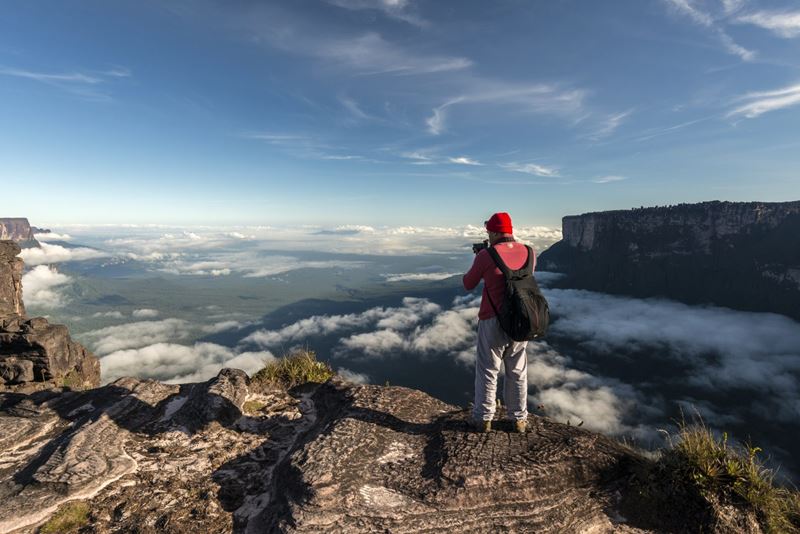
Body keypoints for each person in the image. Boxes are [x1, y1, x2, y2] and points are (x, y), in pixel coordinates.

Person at [463, 212, 534, 433]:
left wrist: (481, 257)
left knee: (488, 369)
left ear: (493, 232)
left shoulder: (487, 255)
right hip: (521, 319)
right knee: (517, 369)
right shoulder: (530, 252)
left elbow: (468, 283)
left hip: (492, 319)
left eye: (489, 232)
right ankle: (519, 419)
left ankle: (483, 418)